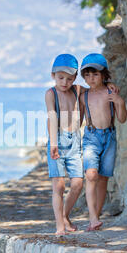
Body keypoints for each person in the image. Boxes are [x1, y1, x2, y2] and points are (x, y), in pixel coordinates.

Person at [79, 53, 127, 231]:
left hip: (109, 137)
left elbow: (122, 119)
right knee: (91, 175)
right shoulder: (83, 95)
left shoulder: (111, 92)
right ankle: (92, 218)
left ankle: (96, 218)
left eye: (96, 74)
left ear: (104, 75)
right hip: (91, 137)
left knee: (103, 179)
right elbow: (78, 120)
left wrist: (120, 103)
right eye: (87, 75)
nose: (91, 79)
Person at [45, 53, 84, 236]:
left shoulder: (77, 90)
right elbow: (52, 116)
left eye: (69, 79)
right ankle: (60, 225)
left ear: (75, 78)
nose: (64, 82)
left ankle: (65, 215)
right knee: (59, 186)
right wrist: (53, 143)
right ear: (53, 75)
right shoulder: (50, 94)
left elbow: (95, 89)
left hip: (75, 140)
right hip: (58, 140)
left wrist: (110, 87)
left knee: (77, 183)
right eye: (61, 78)